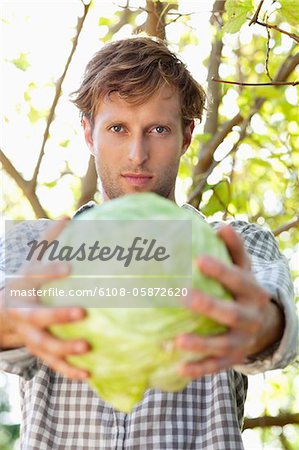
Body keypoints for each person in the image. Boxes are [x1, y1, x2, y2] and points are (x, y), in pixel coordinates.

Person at [0, 36, 298, 450]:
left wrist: (258, 326)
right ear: (88, 134)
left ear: (187, 135)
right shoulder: (34, 246)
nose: (137, 154)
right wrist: (16, 316)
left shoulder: (234, 247)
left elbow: (278, 335)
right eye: (117, 128)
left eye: (158, 129)